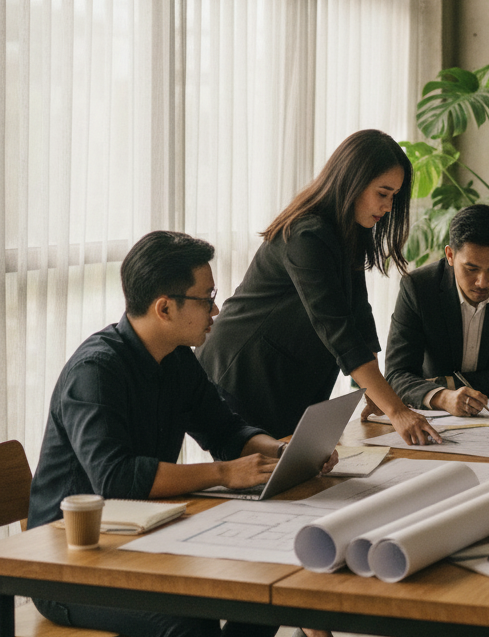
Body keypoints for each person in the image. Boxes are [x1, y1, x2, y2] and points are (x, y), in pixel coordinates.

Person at [28, 231, 333, 637]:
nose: (216, 309)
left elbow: (225, 429)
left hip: (141, 536)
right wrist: (224, 474)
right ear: (165, 308)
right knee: (191, 625)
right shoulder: (96, 372)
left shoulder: (176, 361)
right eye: (206, 298)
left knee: (263, 586)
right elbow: (117, 478)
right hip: (70, 562)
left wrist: (281, 452)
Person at [199, 130, 442, 445]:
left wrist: (375, 392)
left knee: (299, 477)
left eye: (394, 196)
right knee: (266, 481)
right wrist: (395, 410)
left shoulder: (348, 229)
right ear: (352, 182)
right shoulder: (307, 235)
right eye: (383, 193)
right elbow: (336, 328)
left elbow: (358, 313)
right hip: (241, 373)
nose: (388, 207)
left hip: (284, 377)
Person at [384, 204, 489, 413]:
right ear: (450, 255)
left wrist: (447, 383)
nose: (482, 282)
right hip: (435, 415)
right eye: (471, 268)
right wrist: (442, 397)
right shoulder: (419, 288)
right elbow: (397, 374)